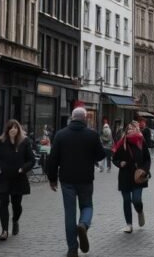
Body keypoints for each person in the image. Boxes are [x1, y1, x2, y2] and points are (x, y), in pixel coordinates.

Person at [46, 107, 106, 257]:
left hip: (67, 180)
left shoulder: (60, 135)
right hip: (85, 179)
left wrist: (52, 179)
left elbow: (52, 159)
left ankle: (72, 249)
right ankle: (84, 225)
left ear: (72, 118)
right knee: (87, 206)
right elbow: (100, 155)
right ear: (85, 118)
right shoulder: (92, 135)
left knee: (69, 214)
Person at [0, 119, 35, 241]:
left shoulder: (24, 142)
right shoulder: (0, 142)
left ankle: (15, 220)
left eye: (15, 127)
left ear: (18, 129)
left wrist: (23, 169)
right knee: (3, 203)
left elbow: (31, 160)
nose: (13, 130)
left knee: (17, 205)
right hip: (2, 178)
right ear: (7, 130)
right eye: (11, 128)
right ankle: (4, 230)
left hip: (18, 178)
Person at [112, 121, 151, 232]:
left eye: (132, 128)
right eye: (128, 129)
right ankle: (129, 224)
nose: (129, 130)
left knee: (136, 199)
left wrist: (144, 169)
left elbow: (147, 159)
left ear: (137, 129)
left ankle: (140, 211)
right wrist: (120, 163)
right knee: (126, 200)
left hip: (138, 175)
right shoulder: (122, 142)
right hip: (125, 175)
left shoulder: (141, 141)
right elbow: (114, 158)